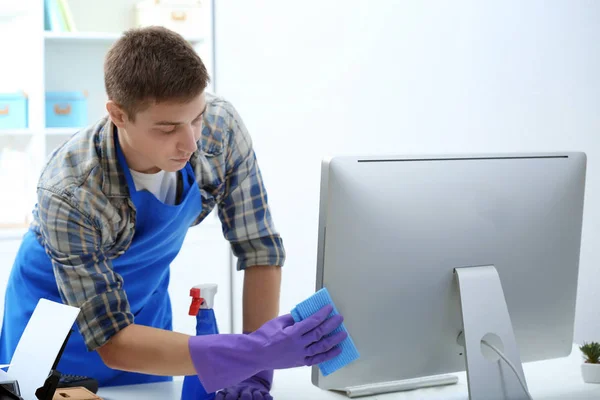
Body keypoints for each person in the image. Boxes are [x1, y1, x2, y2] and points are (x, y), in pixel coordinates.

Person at [0, 26, 346, 398]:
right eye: (167, 128)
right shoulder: (70, 189)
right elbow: (112, 341)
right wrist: (252, 351)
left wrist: (256, 373)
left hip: (145, 324)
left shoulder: (219, 127)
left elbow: (258, 246)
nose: (190, 142)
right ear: (118, 114)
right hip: (58, 339)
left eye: (195, 118)